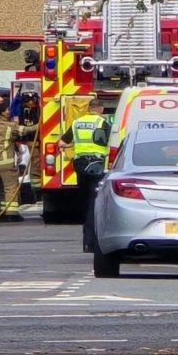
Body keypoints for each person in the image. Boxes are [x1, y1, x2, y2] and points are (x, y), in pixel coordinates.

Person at [58, 98, 110, 252]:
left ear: (89, 108)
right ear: (101, 108)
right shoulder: (102, 123)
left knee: (86, 201)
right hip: (96, 165)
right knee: (95, 203)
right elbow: (108, 142)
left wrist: (73, 145)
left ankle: (87, 242)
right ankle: (92, 242)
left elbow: (61, 143)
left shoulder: (77, 122)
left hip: (79, 165)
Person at [0, 101, 38, 222]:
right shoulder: (8, 126)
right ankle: (11, 214)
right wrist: (41, 124)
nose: (8, 112)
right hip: (6, 163)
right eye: (6, 110)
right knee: (10, 188)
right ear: (1, 113)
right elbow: (26, 130)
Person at [14, 93, 42, 194]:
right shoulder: (19, 110)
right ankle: (35, 188)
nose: (30, 103)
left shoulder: (38, 109)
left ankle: (36, 187)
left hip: (35, 139)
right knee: (34, 159)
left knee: (36, 160)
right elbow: (18, 126)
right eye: (28, 102)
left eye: (32, 101)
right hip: (26, 140)